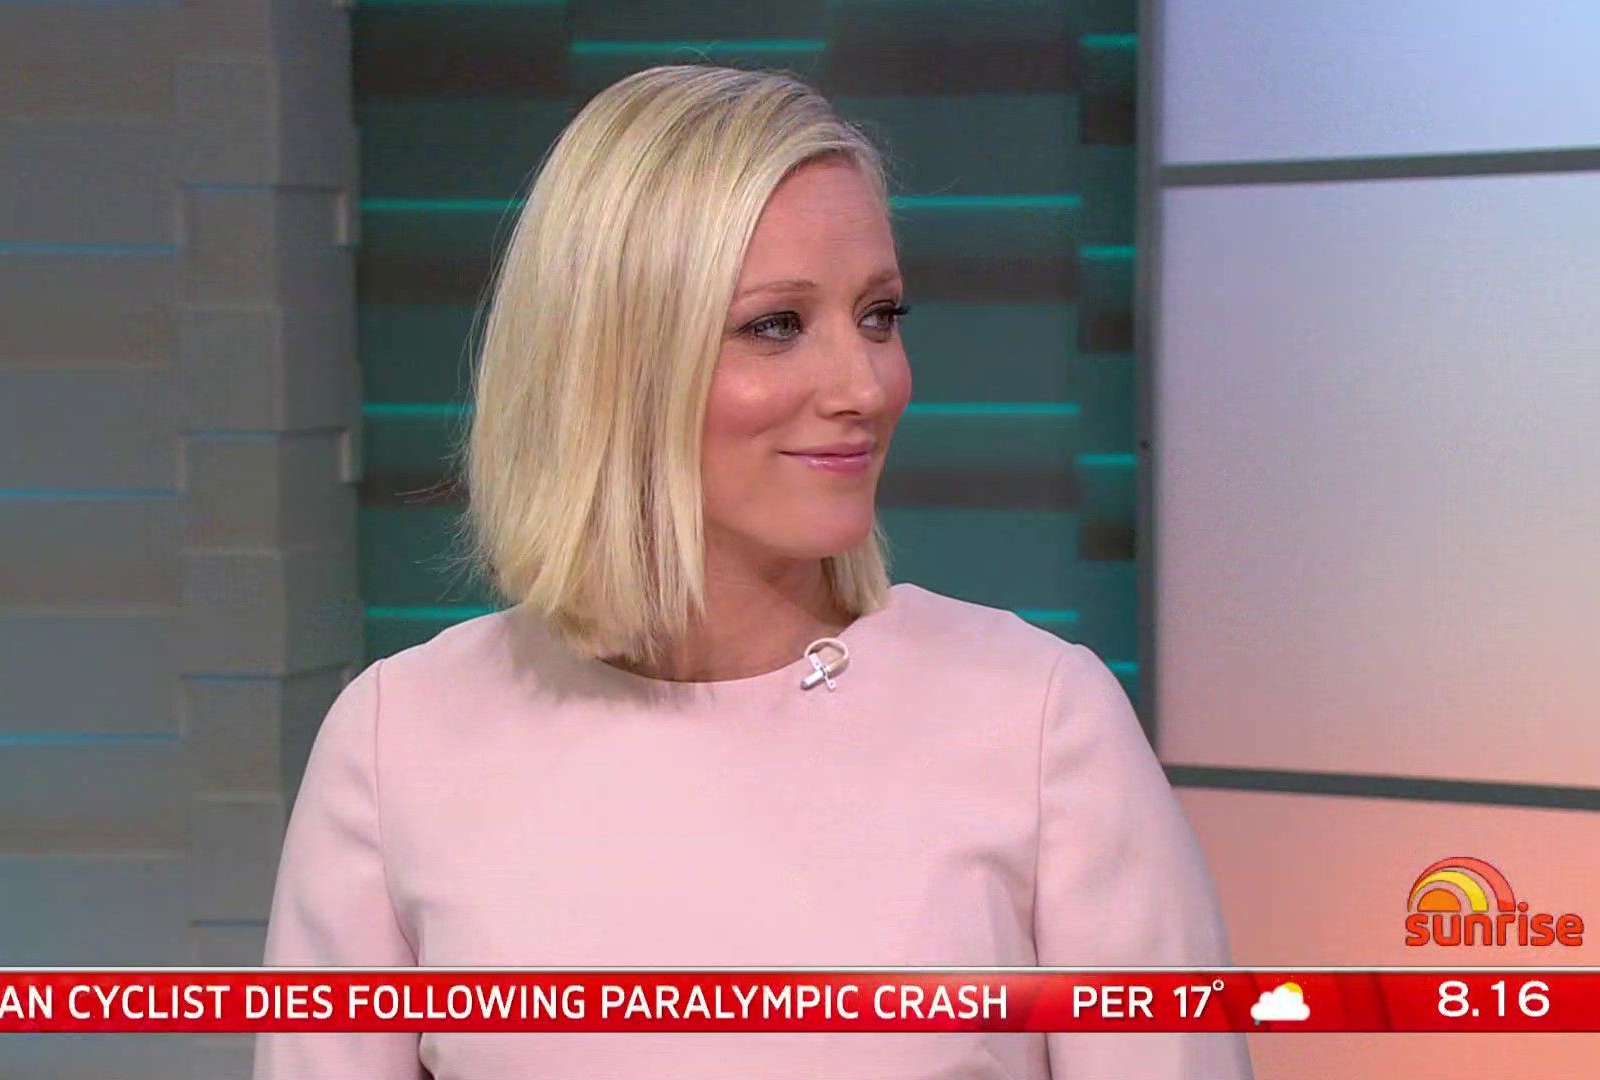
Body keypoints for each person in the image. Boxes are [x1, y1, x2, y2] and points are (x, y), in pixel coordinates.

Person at [254, 64, 1251, 1080]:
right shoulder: (399, 742)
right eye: (777, 326)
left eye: (880, 315)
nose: (865, 386)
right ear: (615, 365)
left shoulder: (1040, 724)